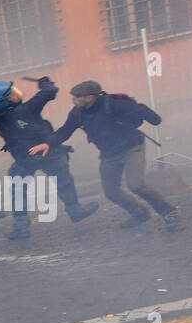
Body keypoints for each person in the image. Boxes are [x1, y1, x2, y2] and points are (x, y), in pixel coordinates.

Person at [34, 80, 181, 232]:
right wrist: (48, 144)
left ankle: (169, 212)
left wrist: (155, 119)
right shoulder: (77, 113)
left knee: (136, 185)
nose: (73, 100)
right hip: (109, 154)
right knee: (111, 192)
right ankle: (140, 213)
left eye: (76, 97)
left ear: (90, 97)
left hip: (132, 148)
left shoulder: (113, 105)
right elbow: (65, 131)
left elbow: (140, 110)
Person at [0, 77, 98, 240]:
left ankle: (21, 227)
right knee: (64, 180)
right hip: (48, 153)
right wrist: (45, 83)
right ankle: (75, 211)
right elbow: (50, 92)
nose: (17, 94)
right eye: (12, 93)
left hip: (24, 158)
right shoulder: (26, 110)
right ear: (6, 100)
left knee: (18, 191)